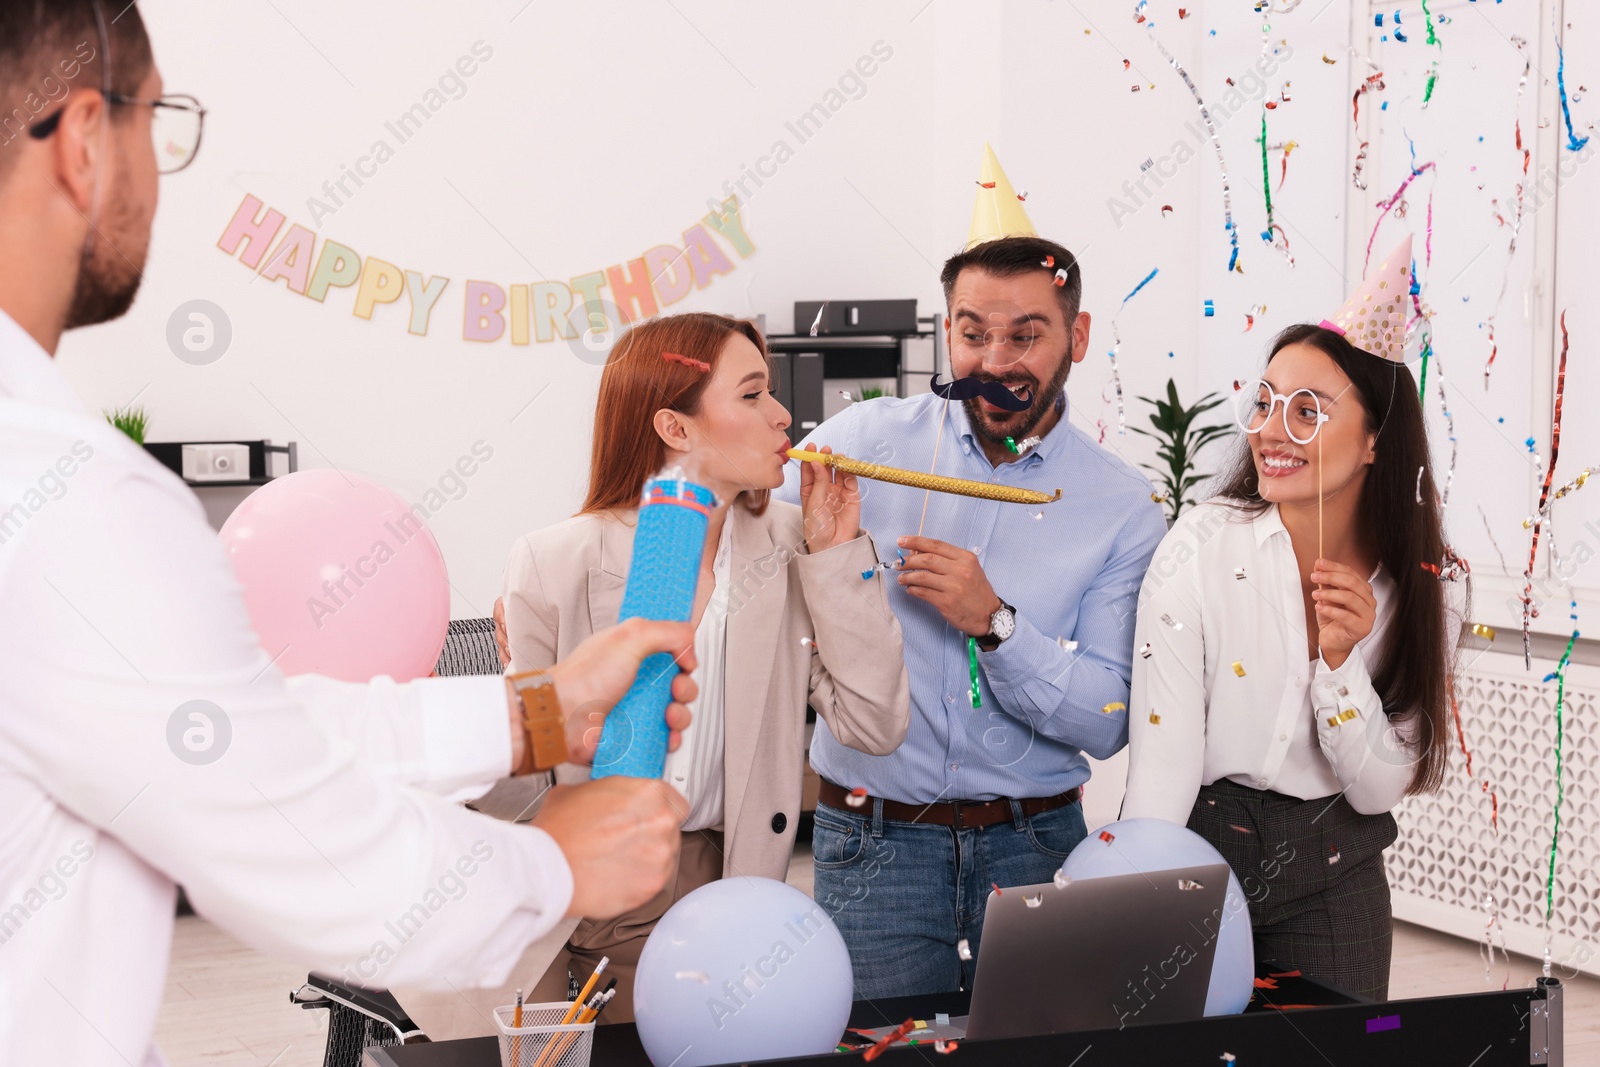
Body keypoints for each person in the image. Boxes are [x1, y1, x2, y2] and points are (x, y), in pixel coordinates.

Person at [0, 6, 696, 1063]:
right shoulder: (67, 489)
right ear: (89, 137)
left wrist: (533, 717)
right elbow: (295, 835)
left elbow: (218, 729)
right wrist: (551, 861)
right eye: (162, 123)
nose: (158, 165)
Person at [776, 233, 1169, 998]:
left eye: (1025, 334)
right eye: (972, 332)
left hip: (1035, 845)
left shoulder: (1122, 508)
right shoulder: (862, 444)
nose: (994, 361)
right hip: (871, 839)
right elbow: (742, 542)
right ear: (947, 328)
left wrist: (997, 624)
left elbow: (1108, 715)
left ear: (1076, 337)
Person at [501, 311, 911, 1020]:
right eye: (751, 395)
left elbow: (874, 723)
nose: (783, 414)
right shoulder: (553, 560)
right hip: (599, 900)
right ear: (676, 429)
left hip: (741, 892)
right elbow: (521, 772)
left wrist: (837, 557)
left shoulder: (796, 546)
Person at [1122, 255, 1461, 1001]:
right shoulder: (1200, 545)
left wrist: (1339, 665)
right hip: (1201, 849)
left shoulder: (1433, 586)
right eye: (1267, 402)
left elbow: (1378, 788)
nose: (1270, 432)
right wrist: (1135, 896)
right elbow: (1163, 760)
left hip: (1338, 869)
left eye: (1308, 409)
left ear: (1376, 439)